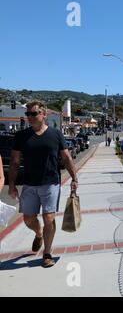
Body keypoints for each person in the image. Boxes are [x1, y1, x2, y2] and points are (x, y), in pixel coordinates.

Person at [8, 101, 78, 268]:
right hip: (29, 184)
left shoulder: (56, 135)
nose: (30, 117)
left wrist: (74, 178)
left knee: (49, 217)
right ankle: (38, 234)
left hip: (51, 183)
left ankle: (47, 253)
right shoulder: (21, 136)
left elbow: (67, 158)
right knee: (28, 219)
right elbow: (14, 162)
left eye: (34, 114)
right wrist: (11, 185)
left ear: (44, 115)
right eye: (28, 114)